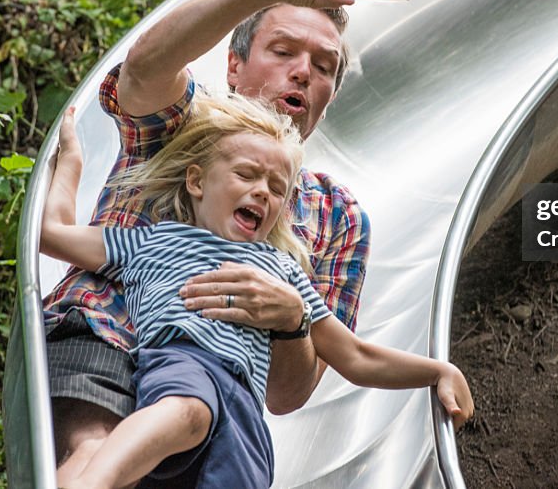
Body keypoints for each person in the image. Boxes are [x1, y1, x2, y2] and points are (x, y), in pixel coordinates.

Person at [41, 0, 373, 467]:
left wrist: (292, 321)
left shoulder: (337, 216)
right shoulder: (186, 128)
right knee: (94, 443)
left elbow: (287, 396)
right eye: (283, 50)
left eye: (324, 67)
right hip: (107, 336)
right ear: (234, 66)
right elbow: (145, 68)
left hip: (210, 389)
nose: (302, 72)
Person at [43, 100, 473, 489]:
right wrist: (71, 163)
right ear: (196, 181)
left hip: (247, 410)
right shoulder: (150, 241)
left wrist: (436, 371)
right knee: (189, 410)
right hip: (184, 362)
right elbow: (54, 235)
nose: (262, 191)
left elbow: (355, 356)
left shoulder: (284, 273)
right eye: (246, 174)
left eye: (276, 187)